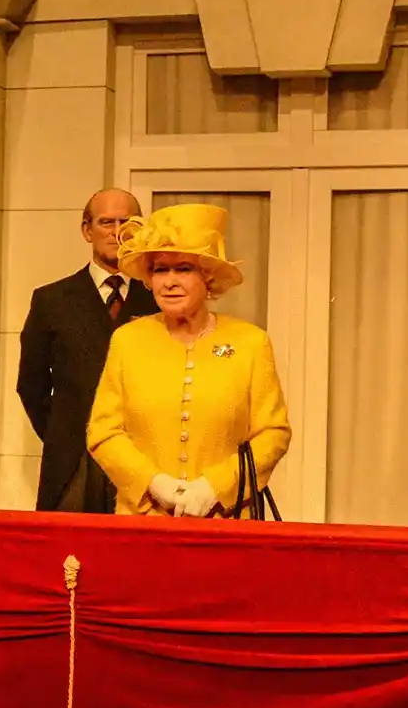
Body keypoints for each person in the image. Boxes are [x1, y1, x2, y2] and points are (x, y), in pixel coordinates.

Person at [87, 204, 291, 517]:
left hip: (226, 521)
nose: (169, 282)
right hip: (143, 523)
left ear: (208, 277)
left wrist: (215, 488)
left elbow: (273, 433)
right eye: (160, 270)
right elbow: (104, 432)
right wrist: (153, 483)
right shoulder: (127, 341)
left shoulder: (250, 343)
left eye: (183, 269)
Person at [16, 188, 160, 512]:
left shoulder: (158, 300)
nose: (116, 232)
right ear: (87, 230)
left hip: (144, 458)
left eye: (126, 222)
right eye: (106, 222)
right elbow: (31, 384)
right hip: (73, 460)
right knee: (67, 544)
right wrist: (63, 433)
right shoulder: (52, 300)